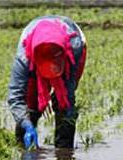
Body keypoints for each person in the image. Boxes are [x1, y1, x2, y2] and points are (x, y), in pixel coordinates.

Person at [8, 16, 87, 150]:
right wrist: (26, 123)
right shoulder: (24, 58)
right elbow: (15, 97)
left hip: (69, 48)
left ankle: (64, 151)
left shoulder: (75, 47)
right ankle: (23, 147)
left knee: (65, 103)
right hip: (34, 51)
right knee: (30, 104)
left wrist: (68, 113)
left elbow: (68, 89)